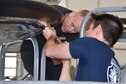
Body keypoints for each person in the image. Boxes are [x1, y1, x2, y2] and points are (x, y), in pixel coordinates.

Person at [43, 13, 123, 83]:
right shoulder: (112, 60)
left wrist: (51, 36)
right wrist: (66, 63)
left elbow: (49, 51)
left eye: (89, 28)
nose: (85, 33)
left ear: (98, 29)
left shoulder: (91, 44)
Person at [20, 4, 89, 80]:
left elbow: (57, 60)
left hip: (54, 60)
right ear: (72, 14)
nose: (70, 29)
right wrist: (40, 21)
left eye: (74, 30)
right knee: (41, 76)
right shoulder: (53, 11)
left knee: (57, 78)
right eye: (72, 24)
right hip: (32, 51)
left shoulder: (76, 36)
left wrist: (53, 38)